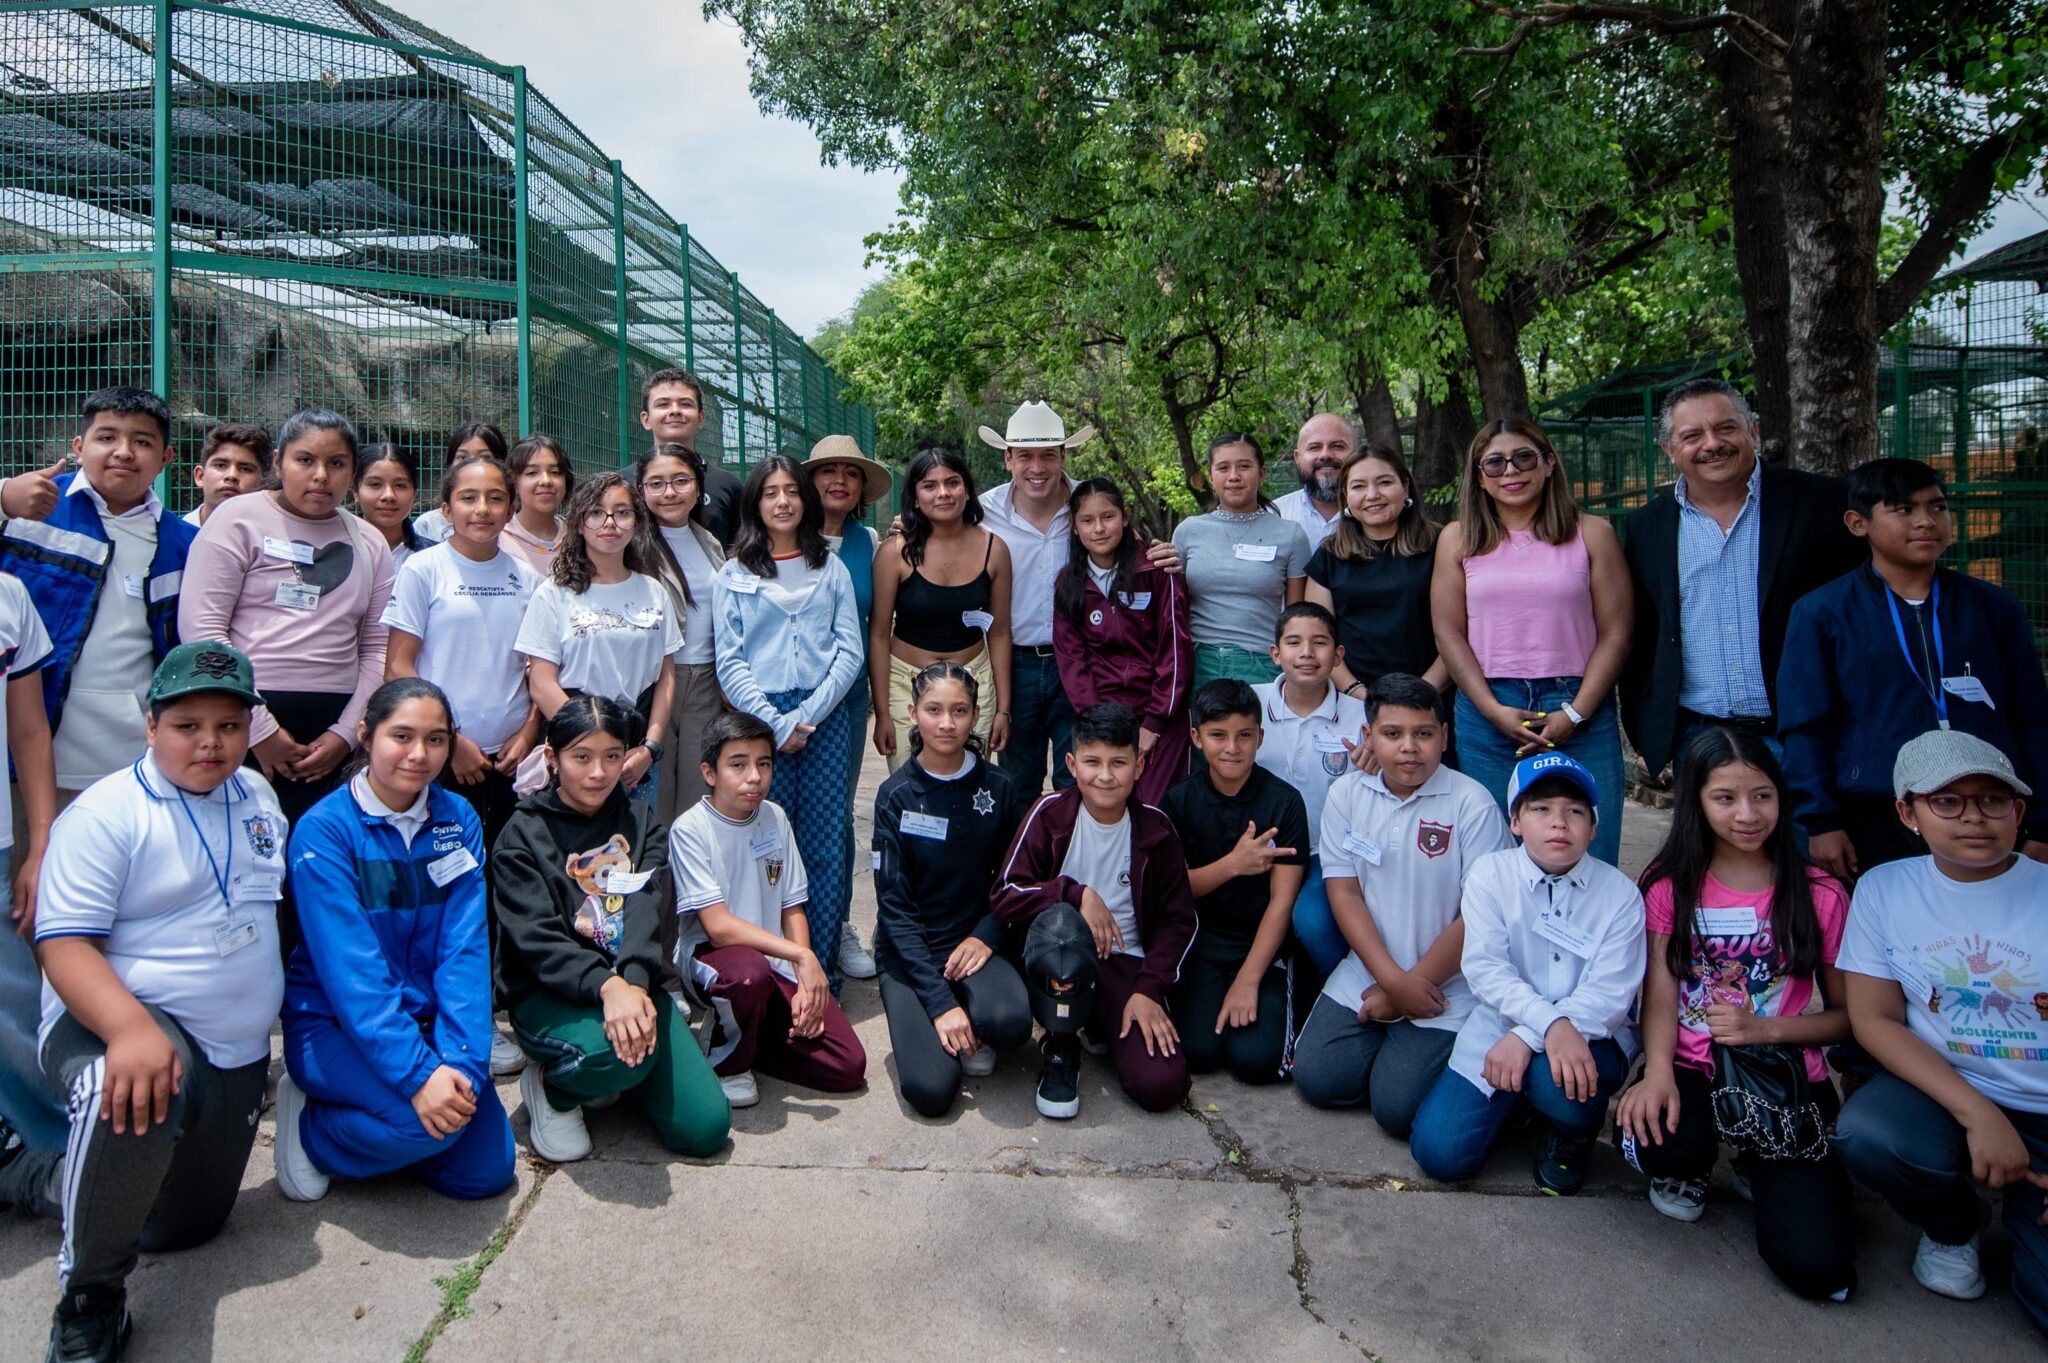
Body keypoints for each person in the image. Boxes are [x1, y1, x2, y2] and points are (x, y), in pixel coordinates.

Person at [0, 643, 286, 1363]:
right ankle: (89, 1298)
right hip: (122, 1017)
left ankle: (42, 1174)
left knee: (177, 1229)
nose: (210, 742)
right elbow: (63, 945)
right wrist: (128, 1028)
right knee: (123, 1083)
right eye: (188, 725)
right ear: (150, 725)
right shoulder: (105, 813)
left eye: (228, 726)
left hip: (235, 1050)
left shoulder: (258, 796)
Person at [1614, 726, 1856, 1300]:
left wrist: (1763, 1028)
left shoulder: (1821, 893)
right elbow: (1660, 998)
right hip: (1692, 1067)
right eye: (1725, 797)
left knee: (1820, 1268)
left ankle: (1756, 1161)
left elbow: (1851, 1018)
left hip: (1781, 1075)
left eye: (1762, 796)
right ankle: (1689, 1168)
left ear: (1781, 796)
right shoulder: (1670, 887)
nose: (1747, 814)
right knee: (1659, 1140)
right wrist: (1657, 1072)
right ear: (1696, 802)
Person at [1833, 730, 2048, 1329]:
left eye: (1992, 800)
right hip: (1945, 1091)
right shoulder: (1884, 889)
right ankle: (1954, 1224)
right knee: (1871, 1135)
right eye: (1947, 801)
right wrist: (1980, 1115)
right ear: (1908, 813)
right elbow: (1873, 1018)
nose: (1973, 817)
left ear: (2018, 812)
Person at [271, 678, 513, 1205]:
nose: (419, 754)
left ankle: (396, 1130)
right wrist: (419, 1076)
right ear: (365, 734)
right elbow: (352, 975)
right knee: (427, 1126)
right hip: (333, 1026)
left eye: (436, 739)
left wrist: (462, 1065)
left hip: (427, 1024)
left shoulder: (459, 818)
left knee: (486, 1173)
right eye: (401, 736)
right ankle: (313, 1127)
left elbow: (464, 951)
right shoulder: (324, 831)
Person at [179, 407, 395, 942]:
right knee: (237, 865)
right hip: (240, 719)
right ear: (278, 463)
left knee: (319, 872)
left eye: (336, 464)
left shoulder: (369, 542)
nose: (321, 476)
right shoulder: (238, 519)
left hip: (333, 734)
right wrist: (258, 727)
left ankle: (310, 978)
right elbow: (203, 629)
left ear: (352, 472)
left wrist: (344, 736)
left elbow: (377, 648)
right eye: (305, 460)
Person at [1778, 457, 2048, 881]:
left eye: (1937, 507)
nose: (1926, 521)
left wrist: (2043, 823)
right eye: (1904, 509)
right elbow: (1806, 725)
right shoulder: (1821, 613)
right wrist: (1821, 821)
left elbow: (2033, 718)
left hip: (1986, 807)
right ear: (1858, 523)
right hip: (1874, 810)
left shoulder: (1994, 607)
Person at [493, 695, 730, 1162]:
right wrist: (608, 987)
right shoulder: (521, 834)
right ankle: (552, 1087)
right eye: (581, 757)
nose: (598, 773)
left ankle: (625, 1069)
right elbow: (536, 941)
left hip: (629, 984)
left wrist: (635, 986)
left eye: (611, 756)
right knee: (610, 1058)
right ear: (552, 758)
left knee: (706, 1128)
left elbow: (644, 910)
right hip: (550, 991)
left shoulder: (641, 823)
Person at [1407, 752, 1645, 1193]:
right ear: (1515, 822)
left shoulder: (1621, 894)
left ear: (1594, 828)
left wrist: (1532, 1034)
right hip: (1498, 1029)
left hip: (1589, 1034)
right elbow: (1486, 969)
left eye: (1575, 812)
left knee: (1557, 1084)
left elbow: (1610, 995)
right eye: (1541, 809)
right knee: (1439, 1154)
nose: (1559, 823)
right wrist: (1543, 1025)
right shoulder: (1489, 875)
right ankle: (1520, 1104)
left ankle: (1573, 1134)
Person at [1293, 675, 1512, 1135]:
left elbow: (1478, 916)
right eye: (1392, 734)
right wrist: (1391, 982)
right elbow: (1345, 892)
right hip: (1370, 971)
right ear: (1368, 736)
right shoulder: (1347, 795)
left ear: (1444, 737)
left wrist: (1407, 990)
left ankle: (1407, 1059)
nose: (1409, 747)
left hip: (1445, 986)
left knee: (1396, 1110)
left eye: (1424, 733)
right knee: (1317, 1079)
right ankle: (1388, 1047)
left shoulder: (1472, 805)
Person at [1619, 379, 1863, 779]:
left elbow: (1859, 610)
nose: (1712, 444)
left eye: (1725, 428)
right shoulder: (1646, 526)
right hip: (1696, 737)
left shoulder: (1823, 503)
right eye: (1692, 436)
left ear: (1753, 430)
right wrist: (1647, 728)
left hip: (1808, 734)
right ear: (1669, 451)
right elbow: (1643, 633)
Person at [1432, 417, 1631, 865]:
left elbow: (1617, 631)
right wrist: (1491, 710)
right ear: (1479, 477)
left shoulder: (1592, 533)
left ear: (1548, 463)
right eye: (1495, 462)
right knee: (1496, 859)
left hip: (1578, 705)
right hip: (1489, 709)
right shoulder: (1458, 539)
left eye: (1523, 457)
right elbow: (1449, 632)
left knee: (1590, 855)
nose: (1510, 471)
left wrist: (1575, 713)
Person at [993, 702, 1198, 1119]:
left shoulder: (1157, 829)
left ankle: (1099, 1021)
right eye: (1092, 762)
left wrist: (1149, 989)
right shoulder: (1048, 814)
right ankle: (1059, 1047)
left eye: (1118, 763)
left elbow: (1178, 920)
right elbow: (1005, 894)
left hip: (1125, 963)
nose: (1105, 776)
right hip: (1056, 958)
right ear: (1071, 764)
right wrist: (1074, 893)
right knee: (1065, 932)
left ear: (1139, 766)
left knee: (1161, 1085)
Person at [712, 456, 866, 990]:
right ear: (755, 502)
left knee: (823, 845)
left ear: (806, 499)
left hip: (823, 720)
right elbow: (730, 660)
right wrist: (774, 725)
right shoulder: (734, 573)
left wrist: (807, 715)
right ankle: (767, 974)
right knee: (762, 848)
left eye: (792, 491)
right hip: (756, 722)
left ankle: (819, 970)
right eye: (770, 492)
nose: (782, 502)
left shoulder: (831, 567)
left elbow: (849, 652)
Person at [977, 400, 1181, 797]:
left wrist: (1166, 554)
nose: (1037, 468)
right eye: (1025, 457)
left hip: (1083, 664)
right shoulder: (984, 512)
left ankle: (1074, 840)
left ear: (1063, 456)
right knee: (1017, 781)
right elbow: (943, 535)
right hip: (1014, 662)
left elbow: (1130, 549)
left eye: (1048, 456)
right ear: (1008, 459)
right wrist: (906, 528)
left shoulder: (1090, 506)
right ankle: (1025, 840)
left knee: (1081, 778)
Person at [672, 712, 867, 1109]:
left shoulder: (774, 816)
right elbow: (717, 928)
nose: (754, 777)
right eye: (738, 765)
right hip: (715, 960)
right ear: (709, 772)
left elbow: (791, 906)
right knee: (749, 975)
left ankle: (754, 1035)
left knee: (847, 1066)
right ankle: (728, 1060)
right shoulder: (690, 829)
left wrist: (805, 977)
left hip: (774, 961)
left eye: (763, 764)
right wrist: (801, 955)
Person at [872, 663, 1032, 1117]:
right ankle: (948, 1009)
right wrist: (940, 1004)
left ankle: (975, 1009)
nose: (946, 723)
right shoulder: (895, 795)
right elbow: (894, 909)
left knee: (1010, 1024)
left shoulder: (1000, 788)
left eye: (959, 711)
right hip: (911, 951)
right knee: (931, 1092)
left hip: (973, 944)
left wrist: (986, 935)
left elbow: (1016, 880)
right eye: (934, 710)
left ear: (976, 715)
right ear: (912, 713)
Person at [384, 453, 542, 852]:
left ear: (511, 509)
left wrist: (527, 733)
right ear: (446, 509)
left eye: (495, 498)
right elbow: (398, 667)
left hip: (510, 759)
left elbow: (540, 669)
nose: (482, 509)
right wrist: (450, 741)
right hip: (439, 755)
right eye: (469, 498)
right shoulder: (422, 569)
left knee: (505, 864)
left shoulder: (527, 578)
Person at [1161, 680, 1309, 1085]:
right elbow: (1173, 890)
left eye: (1244, 736)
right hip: (1202, 942)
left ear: (1260, 737)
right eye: (1218, 736)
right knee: (1198, 1052)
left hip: (1262, 945)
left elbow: (1282, 901)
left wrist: (1248, 979)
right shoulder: (1179, 801)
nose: (1232, 748)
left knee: (1254, 1062)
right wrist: (1233, 864)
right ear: (1196, 738)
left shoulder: (1284, 802)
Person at [513, 472, 679, 808]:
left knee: (633, 838)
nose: (610, 522)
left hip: (635, 755)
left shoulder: (654, 592)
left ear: (637, 522)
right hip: (576, 750)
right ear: (578, 522)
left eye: (622, 512)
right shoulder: (554, 593)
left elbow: (666, 678)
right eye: (596, 512)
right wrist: (596, 748)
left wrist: (649, 749)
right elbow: (542, 684)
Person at [805, 432, 895, 980]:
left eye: (851, 472)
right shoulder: (784, 532)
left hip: (847, 696)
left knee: (836, 814)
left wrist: (882, 709)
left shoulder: (870, 542)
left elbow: (878, 628)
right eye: (828, 470)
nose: (839, 480)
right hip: (787, 698)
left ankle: (836, 925)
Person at [870, 446, 1013, 772]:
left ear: (967, 490)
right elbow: (878, 634)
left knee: (969, 786)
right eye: (930, 485)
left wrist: (1003, 709)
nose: (943, 493)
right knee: (911, 788)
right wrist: (882, 713)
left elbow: (1000, 632)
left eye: (952, 482)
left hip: (974, 682)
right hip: (905, 683)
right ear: (915, 497)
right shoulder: (895, 552)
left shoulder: (995, 550)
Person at [1052, 479, 1192, 805]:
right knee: (1107, 806)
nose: (1099, 529)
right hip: (1104, 719)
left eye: (1108, 517)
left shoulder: (1157, 571)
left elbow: (1175, 650)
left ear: (1125, 516)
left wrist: (1154, 724)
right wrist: (1099, 723)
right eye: (1087, 520)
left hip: (1160, 719)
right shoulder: (1068, 585)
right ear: (1074, 526)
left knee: (1154, 808)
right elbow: (1072, 661)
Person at [1252, 602, 1368, 984]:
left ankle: (1344, 991)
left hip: (1327, 851)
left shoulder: (1362, 717)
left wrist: (1375, 768)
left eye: (1319, 643)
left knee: (1314, 923)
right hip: (1261, 847)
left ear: (1338, 655)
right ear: (1275, 653)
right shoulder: (1251, 703)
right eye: (1293, 643)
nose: (1306, 653)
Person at [1305, 444, 1445, 701]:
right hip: (1353, 700)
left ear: (1405, 487)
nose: (1372, 495)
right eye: (1358, 486)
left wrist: (1421, 694)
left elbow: (1458, 633)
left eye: (1384, 483)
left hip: (1431, 699)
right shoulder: (1328, 556)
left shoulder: (1441, 545)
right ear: (1345, 495)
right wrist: (1358, 693)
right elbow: (1318, 638)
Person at [632, 443, 725, 825]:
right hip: (656, 682)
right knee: (654, 801)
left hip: (706, 680)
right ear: (641, 490)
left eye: (680, 481)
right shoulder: (632, 545)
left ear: (698, 487)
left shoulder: (709, 541)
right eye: (656, 483)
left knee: (696, 798)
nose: (669, 492)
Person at [1173, 433, 1311, 691]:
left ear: (1262, 473)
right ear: (1211, 477)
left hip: (1263, 665)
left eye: (1244, 466)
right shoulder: (1188, 532)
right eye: (1223, 468)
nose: (1234, 476)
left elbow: (1296, 618)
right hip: (1198, 664)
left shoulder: (1291, 535)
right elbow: (1176, 607)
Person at [0, 571, 58, 1155]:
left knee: (14, 1011)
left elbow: (30, 731)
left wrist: (39, 847)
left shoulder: (10, 597)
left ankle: (53, 1153)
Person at [640, 368, 742, 545]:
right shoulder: (623, 483)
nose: (675, 411)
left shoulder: (728, 485)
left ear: (701, 418)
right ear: (646, 419)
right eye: (663, 404)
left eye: (685, 404)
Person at [412, 421, 510, 544]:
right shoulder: (428, 524)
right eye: (462, 458)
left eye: (484, 457)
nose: (472, 464)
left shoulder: (512, 527)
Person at [1272, 412, 1355, 549]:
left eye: (1337, 446)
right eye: (1314, 447)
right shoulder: (1275, 515)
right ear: (1298, 458)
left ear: (1357, 453)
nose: (1325, 455)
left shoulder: (1377, 513)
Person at [500, 434, 576, 573]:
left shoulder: (578, 536)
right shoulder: (499, 540)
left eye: (555, 472)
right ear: (514, 483)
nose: (546, 481)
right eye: (532, 473)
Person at [354, 442, 426, 572]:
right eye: (375, 484)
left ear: (415, 493)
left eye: (400, 485)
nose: (389, 495)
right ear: (355, 491)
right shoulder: (333, 552)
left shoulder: (436, 556)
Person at [186, 422, 267, 528]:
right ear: (200, 476)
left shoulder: (275, 536)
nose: (232, 475)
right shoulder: (171, 533)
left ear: (263, 484)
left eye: (245, 469)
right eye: (220, 465)